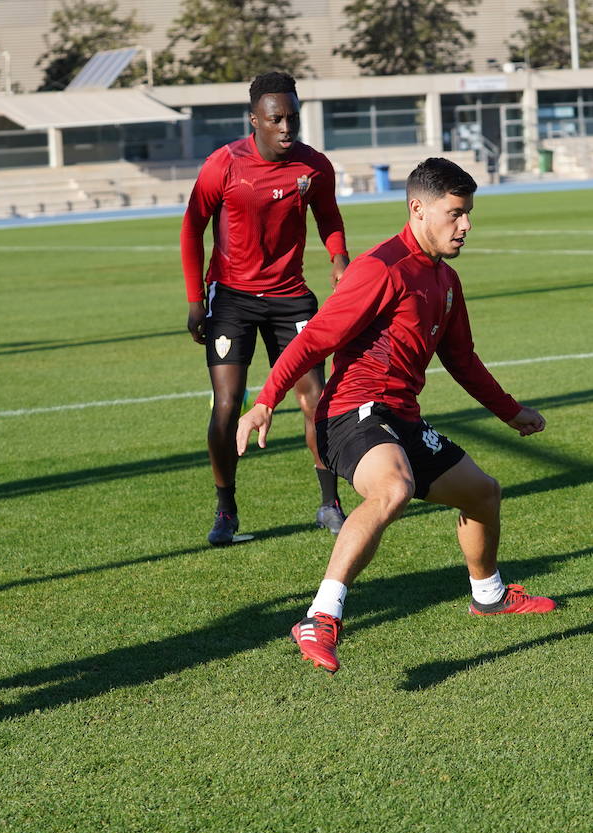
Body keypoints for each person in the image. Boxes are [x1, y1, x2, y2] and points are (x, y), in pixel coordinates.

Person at [236, 158, 555, 673]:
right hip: (349, 413)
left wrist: (511, 412)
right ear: (418, 209)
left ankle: (489, 595)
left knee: (482, 492)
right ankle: (320, 616)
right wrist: (265, 400)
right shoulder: (378, 269)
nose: (466, 225)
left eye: (468, 213)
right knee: (393, 489)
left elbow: (462, 360)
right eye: (455, 214)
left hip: (400, 417)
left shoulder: (445, 279)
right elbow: (315, 337)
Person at [180, 71, 350, 547]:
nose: (286, 127)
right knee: (228, 404)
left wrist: (338, 256)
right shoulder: (224, 165)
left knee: (316, 398)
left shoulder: (314, 166)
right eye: (277, 119)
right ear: (254, 119)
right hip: (230, 298)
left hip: (290, 296)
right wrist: (197, 300)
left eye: (293, 117)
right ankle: (226, 510)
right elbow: (192, 228)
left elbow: (329, 216)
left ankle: (329, 503)